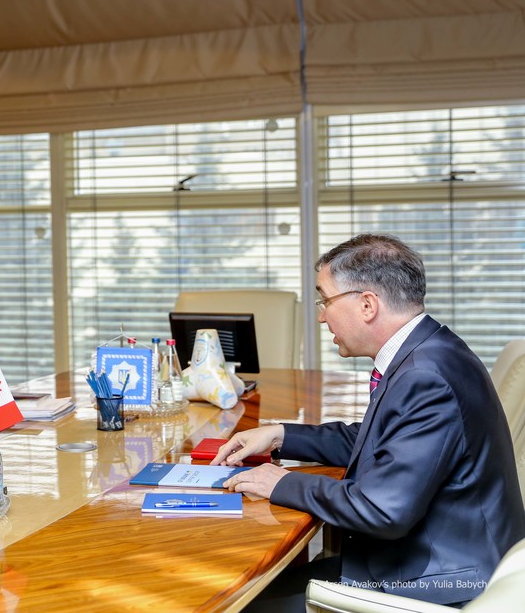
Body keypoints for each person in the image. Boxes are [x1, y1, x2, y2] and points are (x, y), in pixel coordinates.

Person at [213, 233, 525, 609]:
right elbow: (379, 439)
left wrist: (281, 482)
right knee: (260, 584)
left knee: (240, 601)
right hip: (438, 556)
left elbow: (382, 510)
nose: (321, 316)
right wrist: (280, 434)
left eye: (325, 300)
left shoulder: (425, 376)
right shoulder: (430, 350)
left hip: (440, 582)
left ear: (367, 305)